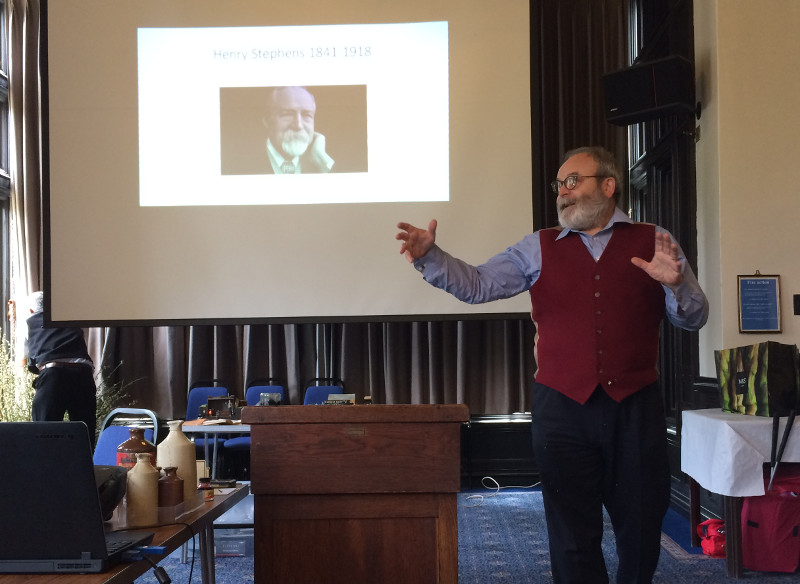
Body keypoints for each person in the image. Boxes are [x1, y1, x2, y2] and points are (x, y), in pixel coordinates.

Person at [396, 146, 708, 584]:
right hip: (562, 408)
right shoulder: (537, 247)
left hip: (635, 407)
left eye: (572, 181)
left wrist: (676, 286)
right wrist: (432, 256)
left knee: (640, 527)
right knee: (570, 534)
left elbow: (693, 317)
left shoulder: (653, 240)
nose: (562, 193)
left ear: (607, 185)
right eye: (559, 185)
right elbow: (479, 285)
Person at [25, 291, 97, 443]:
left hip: (54, 374)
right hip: (83, 373)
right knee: (84, 433)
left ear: (31, 311)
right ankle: (82, 466)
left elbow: (32, 364)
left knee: (42, 433)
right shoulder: (66, 317)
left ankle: (44, 466)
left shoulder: (32, 321)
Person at [263, 86, 334, 174]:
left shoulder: (324, 163)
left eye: (306, 115)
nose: (298, 125)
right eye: (287, 114)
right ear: (267, 121)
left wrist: (323, 161)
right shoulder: (244, 160)